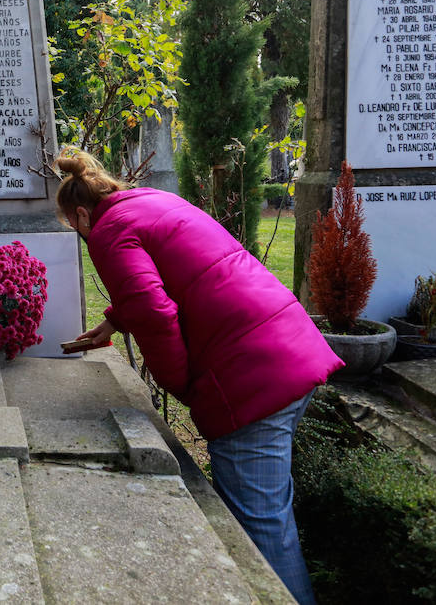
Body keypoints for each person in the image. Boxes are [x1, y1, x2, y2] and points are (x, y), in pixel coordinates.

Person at [55, 147, 339, 605]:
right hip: (288, 348)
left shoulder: (107, 232)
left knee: (261, 528)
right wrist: (114, 319)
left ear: (82, 214)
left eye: (74, 227)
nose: (80, 236)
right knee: (271, 512)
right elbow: (178, 270)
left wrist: (182, 385)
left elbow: (153, 307)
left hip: (249, 379)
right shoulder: (150, 201)